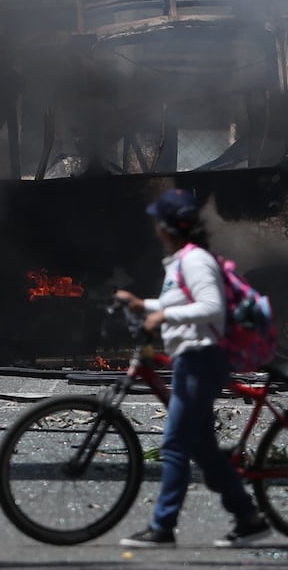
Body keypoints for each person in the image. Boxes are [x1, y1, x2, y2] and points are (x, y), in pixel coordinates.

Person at [114, 187, 270, 548]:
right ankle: (248, 518)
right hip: (192, 358)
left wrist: (163, 316)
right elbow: (179, 303)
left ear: (166, 227)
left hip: (200, 359)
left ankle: (163, 527)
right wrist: (142, 305)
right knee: (203, 450)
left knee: (174, 444)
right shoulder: (182, 260)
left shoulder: (195, 261)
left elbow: (211, 307)